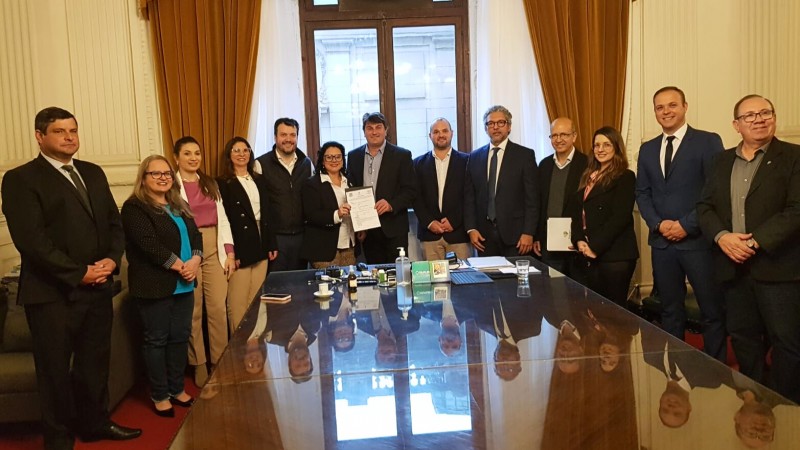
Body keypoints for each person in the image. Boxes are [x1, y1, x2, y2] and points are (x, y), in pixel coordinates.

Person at [1, 107, 141, 448]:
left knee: (94, 365)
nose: (69, 137)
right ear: (40, 136)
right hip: (52, 295)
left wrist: (111, 259)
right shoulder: (21, 179)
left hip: (98, 290)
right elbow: (31, 242)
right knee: (54, 372)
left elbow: (113, 223)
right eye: (60, 131)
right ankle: (59, 438)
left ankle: (95, 423)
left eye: (73, 130)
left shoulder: (92, 172)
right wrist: (78, 273)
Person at [697, 94, 800, 403]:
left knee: (787, 344)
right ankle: (753, 403)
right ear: (736, 125)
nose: (759, 119)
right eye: (750, 115)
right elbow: (705, 207)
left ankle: (785, 408)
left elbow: (796, 210)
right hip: (733, 266)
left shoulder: (794, 157)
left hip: (778, 268)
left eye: (765, 112)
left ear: (774, 117)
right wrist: (722, 237)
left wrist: (755, 242)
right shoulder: (721, 160)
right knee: (743, 338)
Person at [635, 86, 727, 362]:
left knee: (711, 311)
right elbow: (642, 192)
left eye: (672, 105)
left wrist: (686, 225)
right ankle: (676, 369)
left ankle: (717, 372)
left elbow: (714, 191)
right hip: (662, 243)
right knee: (671, 311)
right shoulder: (648, 148)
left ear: (685, 107)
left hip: (697, 241)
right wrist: (658, 224)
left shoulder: (707, 141)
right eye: (660, 107)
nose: (666, 111)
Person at [121, 155, 202, 418]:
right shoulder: (135, 207)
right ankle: (159, 394)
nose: (163, 177)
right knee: (156, 340)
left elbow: (196, 235)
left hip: (185, 284)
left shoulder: (178, 204)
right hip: (155, 285)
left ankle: (177, 388)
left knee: (179, 337)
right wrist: (182, 266)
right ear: (143, 178)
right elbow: (148, 245)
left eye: (166, 173)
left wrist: (196, 260)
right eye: (155, 174)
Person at [172, 136, 236, 387]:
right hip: (187, 250)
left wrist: (229, 252)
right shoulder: (171, 187)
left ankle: (219, 361)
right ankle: (199, 363)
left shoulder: (209, 183)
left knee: (218, 309)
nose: (193, 158)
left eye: (197, 153)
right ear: (176, 157)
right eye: (187, 153)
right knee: (194, 311)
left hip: (213, 247)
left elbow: (223, 219)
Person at [569, 126, 638, 306]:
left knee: (614, 315)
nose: (600, 149)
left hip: (615, 255)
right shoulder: (588, 176)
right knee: (595, 314)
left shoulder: (625, 177)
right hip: (588, 251)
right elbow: (577, 213)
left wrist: (595, 247)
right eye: (597, 145)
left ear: (616, 147)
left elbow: (620, 218)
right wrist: (578, 240)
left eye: (606, 145)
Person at [218, 137, 278, 332]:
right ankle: (238, 347)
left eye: (245, 150)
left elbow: (268, 214)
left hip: (261, 242)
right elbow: (225, 220)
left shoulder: (259, 179)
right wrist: (232, 253)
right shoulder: (223, 183)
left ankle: (256, 345)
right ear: (229, 155)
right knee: (238, 303)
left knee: (258, 299)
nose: (242, 154)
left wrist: (271, 244)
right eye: (236, 150)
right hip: (239, 245)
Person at [464, 105, 539, 257]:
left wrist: (529, 232)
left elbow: (533, 199)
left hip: (517, 237)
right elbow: (469, 197)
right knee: (489, 280)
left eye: (501, 123)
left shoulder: (525, 156)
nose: (495, 127)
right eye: (491, 123)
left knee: (516, 280)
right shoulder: (474, 157)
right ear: (486, 128)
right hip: (483, 238)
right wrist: (471, 229)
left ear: (509, 127)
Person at [346, 112, 416, 264]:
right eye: (369, 128)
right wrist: (359, 225)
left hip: (394, 227)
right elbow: (351, 190)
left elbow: (411, 190)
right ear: (364, 131)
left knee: (396, 275)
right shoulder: (353, 156)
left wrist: (391, 204)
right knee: (373, 276)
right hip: (367, 230)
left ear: (386, 130)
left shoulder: (402, 155)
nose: (374, 132)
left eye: (378, 127)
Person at [254, 118, 313, 271]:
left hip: (302, 237)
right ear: (275, 137)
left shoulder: (307, 164)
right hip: (276, 239)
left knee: (300, 287)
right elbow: (260, 205)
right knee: (277, 289)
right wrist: (268, 241)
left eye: (292, 135)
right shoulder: (260, 164)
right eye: (283, 135)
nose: (288, 139)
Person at [534, 117, 588, 274]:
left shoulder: (587, 164)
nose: (559, 139)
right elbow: (539, 203)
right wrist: (537, 235)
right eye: (554, 135)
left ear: (574, 136)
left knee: (577, 292)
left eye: (564, 134)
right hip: (549, 241)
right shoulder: (544, 165)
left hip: (578, 239)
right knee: (552, 289)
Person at [413, 118, 471, 261]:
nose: (441, 135)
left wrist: (454, 221)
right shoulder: (418, 163)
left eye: (445, 131)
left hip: (458, 233)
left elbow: (469, 196)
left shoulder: (467, 161)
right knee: (433, 281)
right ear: (430, 136)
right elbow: (415, 197)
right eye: (436, 132)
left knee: (463, 278)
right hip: (429, 234)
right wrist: (430, 222)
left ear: (452, 133)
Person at [300, 141, 362, 268]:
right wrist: (336, 214)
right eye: (329, 157)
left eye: (338, 156)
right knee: (328, 286)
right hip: (324, 248)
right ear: (322, 160)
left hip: (349, 245)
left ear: (343, 159)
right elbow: (311, 214)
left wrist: (362, 226)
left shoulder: (350, 182)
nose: (334, 160)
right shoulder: (312, 184)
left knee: (348, 285)